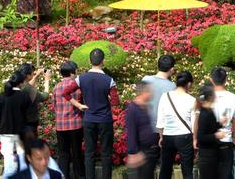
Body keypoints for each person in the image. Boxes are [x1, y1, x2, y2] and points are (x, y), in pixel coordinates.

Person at [63, 49, 120, 179]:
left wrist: (78, 105)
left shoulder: (81, 79)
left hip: (89, 119)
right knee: (106, 153)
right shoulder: (109, 80)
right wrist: (107, 99)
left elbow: (65, 93)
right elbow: (116, 102)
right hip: (105, 120)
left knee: (89, 153)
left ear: (90, 61)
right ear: (103, 61)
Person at [156, 71, 196, 179]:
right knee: (187, 171)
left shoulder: (165, 96)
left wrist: (161, 137)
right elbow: (194, 124)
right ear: (188, 84)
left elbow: (160, 120)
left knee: (165, 170)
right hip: (185, 137)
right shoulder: (192, 100)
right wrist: (195, 139)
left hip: (168, 136)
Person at [0, 71, 32, 178]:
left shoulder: (3, 95)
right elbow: (28, 114)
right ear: (21, 83)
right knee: (22, 155)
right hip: (20, 132)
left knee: (9, 160)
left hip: (5, 131)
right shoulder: (24, 96)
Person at [141, 55, 176, 165]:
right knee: (163, 165)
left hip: (146, 127)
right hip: (164, 130)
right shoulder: (172, 86)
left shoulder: (146, 80)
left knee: (147, 166)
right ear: (171, 69)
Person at [52, 61, 85, 179]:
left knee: (63, 154)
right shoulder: (77, 87)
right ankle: (80, 176)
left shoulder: (56, 87)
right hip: (75, 125)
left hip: (60, 126)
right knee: (77, 154)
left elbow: (54, 106)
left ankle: (63, 176)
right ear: (72, 72)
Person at [209, 67, 235, 179]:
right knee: (226, 173)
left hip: (209, 140)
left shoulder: (204, 97)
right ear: (226, 79)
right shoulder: (234, 98)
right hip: (226, 140)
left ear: (211, 80)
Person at [125, 81, 159, 179]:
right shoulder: (133, 109)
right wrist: (133, 152)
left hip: (150, 151)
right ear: (144, 92)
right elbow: (131, 131)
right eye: (150, 91)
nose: (152, 94)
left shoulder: (146, 106)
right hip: (142, 152)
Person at [196, 85, 226, 179]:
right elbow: (201, 136)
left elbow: (209, 127)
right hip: (207, 155)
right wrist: (216, 136)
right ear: (210, 97)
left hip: (211, 153)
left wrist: (219, 124)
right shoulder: (205, 113)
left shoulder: (208, 111)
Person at [19, 63, 51, 135]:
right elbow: (44, 96)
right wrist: (47, 80)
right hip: (28, 125)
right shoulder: (29, 90)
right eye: (33, 73)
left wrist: (36, 76)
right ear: (28, 75)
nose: (34, 74)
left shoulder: (17, 84)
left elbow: (28, 85)